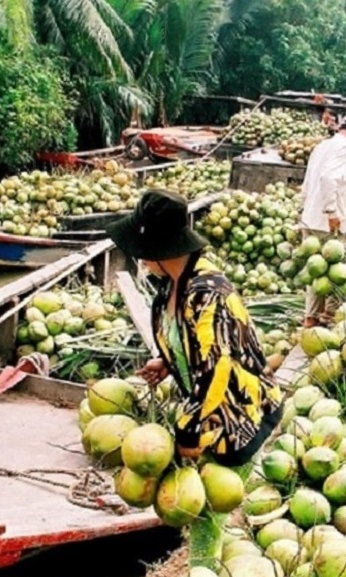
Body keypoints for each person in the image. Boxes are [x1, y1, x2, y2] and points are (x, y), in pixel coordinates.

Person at [105, 189, 283, 466]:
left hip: (241, 417)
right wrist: (169, 361)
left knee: (219, 497)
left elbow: (217, 369)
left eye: (142, 253)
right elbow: (195, 341)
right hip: (210, 413)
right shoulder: (173, 281)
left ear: (156, 249)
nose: (140, 260)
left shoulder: (207, 293)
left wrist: (187, 431)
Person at [299, 115, 346, 327]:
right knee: (339, 270)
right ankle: (332, 317)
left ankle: (310, 317)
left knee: (316, 269)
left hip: (310, 218)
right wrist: (332, 211)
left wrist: (304, 207)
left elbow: (308, 180)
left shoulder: (322, 146)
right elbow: (328, 178)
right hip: (327, 220)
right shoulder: (344, 149)